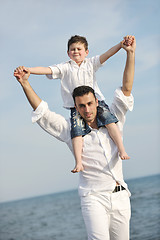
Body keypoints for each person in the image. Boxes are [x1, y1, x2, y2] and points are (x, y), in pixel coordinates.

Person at [14, 35, 136, 240]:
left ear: (96, 102)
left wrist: (130, 54)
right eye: (81, 106)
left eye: (89, 104)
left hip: (121, 195)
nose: (86, 109)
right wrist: (25, 83)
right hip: (93, 198)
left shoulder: (113, 119)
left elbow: (126, 88)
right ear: (75, 107)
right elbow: (43, 112)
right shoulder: (70, 129)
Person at [16, 35, 133, 173]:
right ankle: (78, 162)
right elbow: (47, 70)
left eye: (79, 49)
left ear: (86, 52)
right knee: (76, 134)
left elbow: (107, 54)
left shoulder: (91, 63)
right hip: (75, 107)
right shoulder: (64, 67)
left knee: (111, 122)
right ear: (68, 53)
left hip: (98, 103)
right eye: (72, 49)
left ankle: (121, 149)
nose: (76, 51)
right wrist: (29, 70)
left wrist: (121, 45)